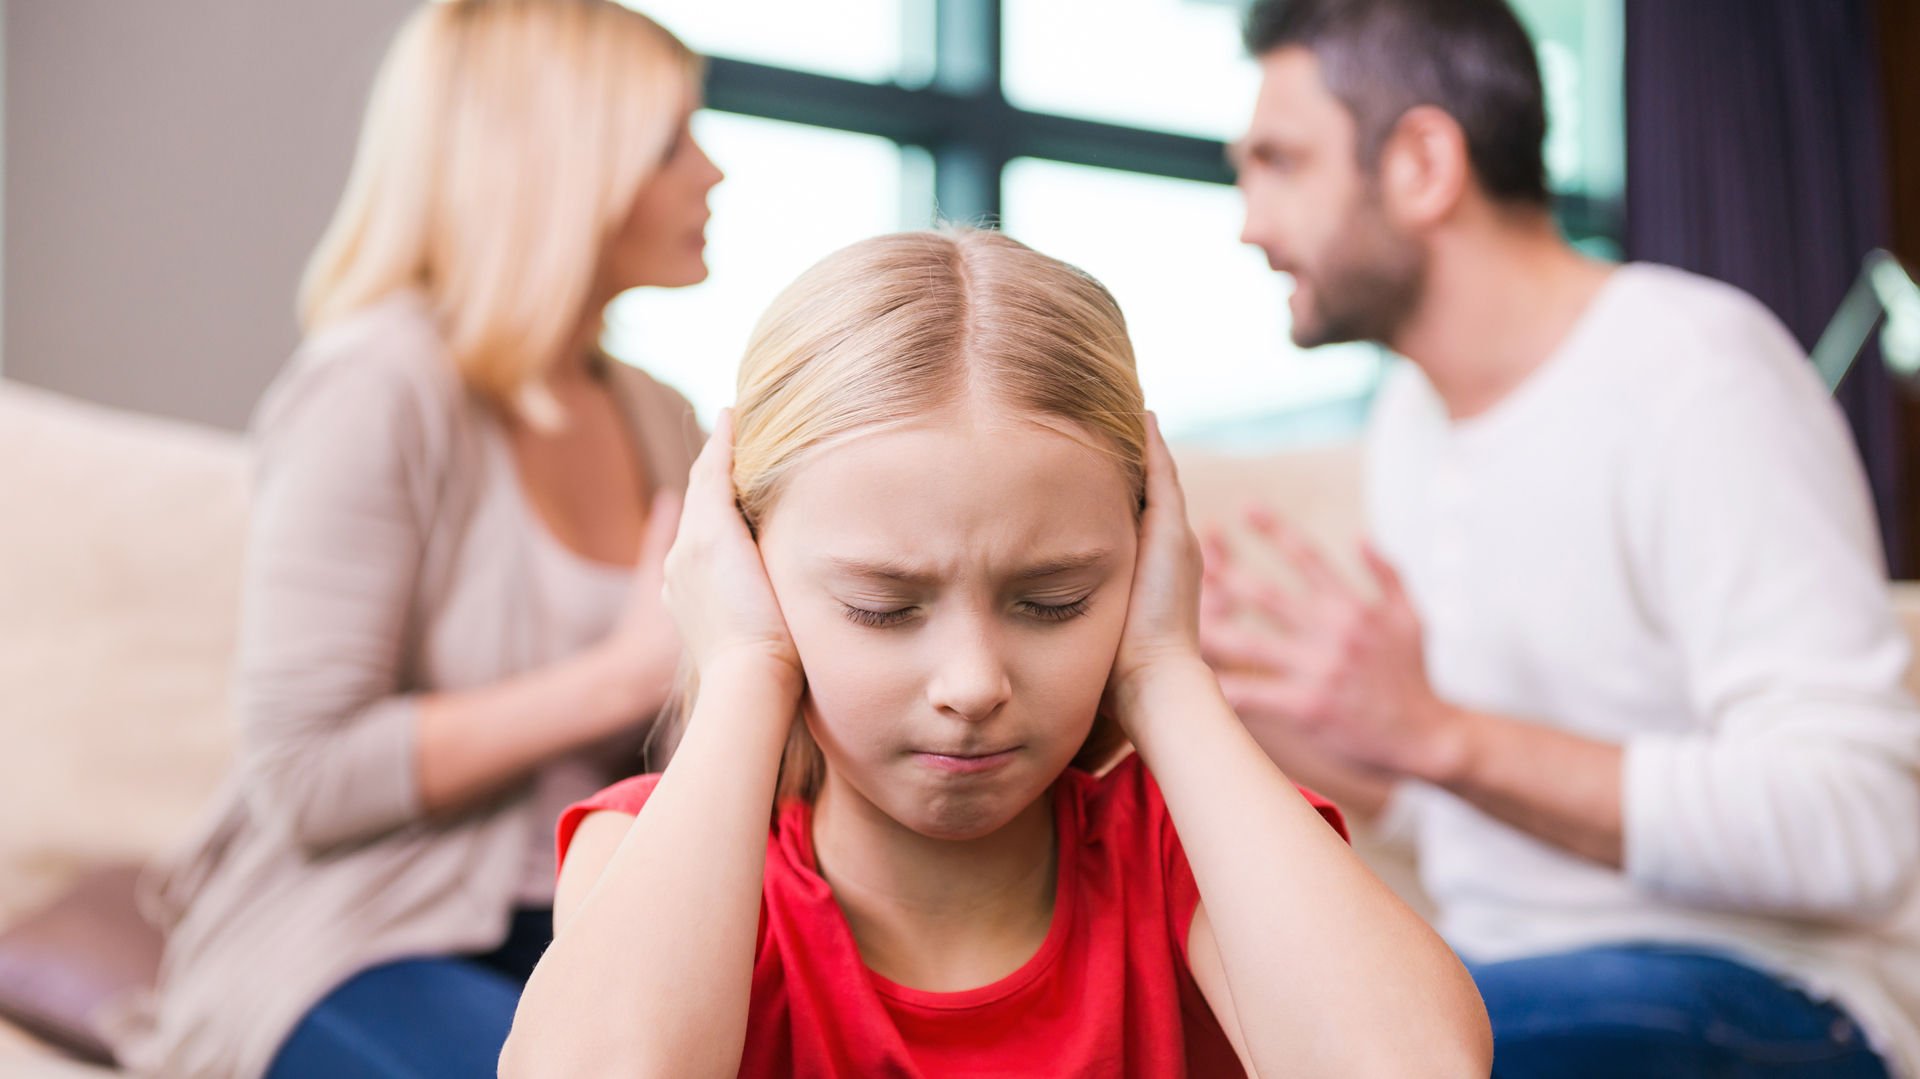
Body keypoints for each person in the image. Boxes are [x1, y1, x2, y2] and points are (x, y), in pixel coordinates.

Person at [496, 229, 1492, 1078]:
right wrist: (746, 667)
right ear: (746, 571)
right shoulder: (654, 853)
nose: (974, 683)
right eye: (883, 606)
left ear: (1145, 563)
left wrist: (1166, 674)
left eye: (1053, 600)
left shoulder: (1188, 849)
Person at [1201, 0, 1920, 1076]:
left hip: (1771, 987)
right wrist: (1300, 721)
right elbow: (1474, 827)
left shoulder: (1696, 369)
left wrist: (1438, 730)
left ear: (1424, 162)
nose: (1250, 222)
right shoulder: (1412, 417)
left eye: (1281, 162)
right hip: (1515, 976)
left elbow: (1857, 823)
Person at [113, 3, 723, 1077]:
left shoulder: (664, 417)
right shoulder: (377, 385)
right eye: (671, 140)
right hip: (358, 935)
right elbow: (305, 771)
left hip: (594, 923)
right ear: (560, 162)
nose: (712, 172)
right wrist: (620, 677)